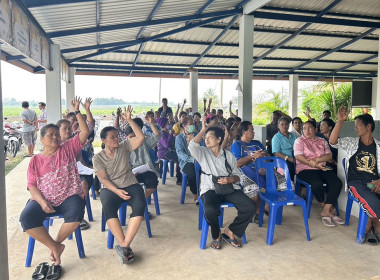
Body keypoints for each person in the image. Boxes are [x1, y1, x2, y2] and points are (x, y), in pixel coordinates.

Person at [19, 97, 90, 268]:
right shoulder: (35, 160)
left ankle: (56, 245)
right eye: (50, 134)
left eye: (57, 134)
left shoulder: (68, 148)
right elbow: (32, 186)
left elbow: (85, 133)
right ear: (41, 139)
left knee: (76, 215)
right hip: (44, 198)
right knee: (26, 219)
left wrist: (78, 111)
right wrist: (42, 202)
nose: (55, 137)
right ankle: (56, 247)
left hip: (69, 196)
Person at [189, 118, 255, 249]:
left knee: (250, 207)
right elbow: (192, 145)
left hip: (229, 188)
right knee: (209, 210)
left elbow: (238, 176)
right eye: (206, 137)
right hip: (210, 189)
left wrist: (230, 180)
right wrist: (203, 129)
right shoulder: (202, 153)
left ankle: (231, 230)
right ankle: (216, 235)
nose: (206, 140)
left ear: (219, 140)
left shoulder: (228, 155)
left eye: (210, 137)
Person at [93, 106, 146, 264]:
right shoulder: (98, 158)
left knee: (140, 205)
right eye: (112, 137)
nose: (117, 139)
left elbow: (140, 137)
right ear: (103, 140)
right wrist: (117, 191)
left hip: (130, 184)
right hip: (111, 188)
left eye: (117, 136)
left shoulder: (124, 146)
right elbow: (103, 179)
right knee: (108, 205)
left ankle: (124, 245)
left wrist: (129, 120)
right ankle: (125, 246)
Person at [330, 106, 380, 243]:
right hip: (356, 183)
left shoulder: (379, 146)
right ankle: (375, 225)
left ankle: (369, 225)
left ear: (368, 126)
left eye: (358, 125)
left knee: (373, 198)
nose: (355, 128)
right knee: (374, 202)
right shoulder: (352, 142)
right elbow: (333, 142)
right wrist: (340, 121)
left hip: (374, 182)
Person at [293, 120, 343, 227]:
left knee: (337, 183)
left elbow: (329, 156)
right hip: (304, 169)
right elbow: (298, 156)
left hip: (323, 167)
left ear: (315, 129)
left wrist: (317, 160)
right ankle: (326, 207)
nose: (307, 130)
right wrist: (315, 165)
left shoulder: (322, 141)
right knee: (317, 183)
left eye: (310, 128)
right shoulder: (299, 141)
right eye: (304, 128)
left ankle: (326, 210)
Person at [231, 121, 266, 223]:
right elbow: (237, 163)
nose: (254, 132)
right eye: (252, 129)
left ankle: (266, 207)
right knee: (253, 189)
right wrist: (252, 157)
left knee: (279, 183)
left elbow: (268, 157)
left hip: (261, 170)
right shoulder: (237, 145)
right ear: (244, 132)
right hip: (244, 172)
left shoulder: (258, 143)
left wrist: (262, 156)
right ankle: (256, 212)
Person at [175, 116, 199, 203]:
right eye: (190, 124)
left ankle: (206, 193)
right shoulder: (179, 138)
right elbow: (180, 153)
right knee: (192, 174)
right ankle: (195, 194)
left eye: (193, 124)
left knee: (207, 171)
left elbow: (203, 147)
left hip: (199, 159)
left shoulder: (197, 135)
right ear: (184, 126)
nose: (192, 126)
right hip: (186, 162)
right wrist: (192, 160)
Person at [157, 118, 181, 184]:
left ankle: (180, 177)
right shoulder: (162, 134)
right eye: (167, 123)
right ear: (164, 125)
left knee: (180, 156)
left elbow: (171, 142)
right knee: (180, 159)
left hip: (169, 151)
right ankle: (179, 179)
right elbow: (167, 145)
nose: (169, 124)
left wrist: (174, 135)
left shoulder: (166, 132)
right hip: (163, 153)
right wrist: (171, 135)